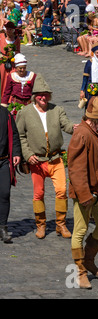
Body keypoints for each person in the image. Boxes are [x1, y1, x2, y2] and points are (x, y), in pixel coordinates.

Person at [15, 74, 76, 240]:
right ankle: (40, 224)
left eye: (46, 94)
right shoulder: (25, 113)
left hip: (55, 159)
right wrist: (28, 155)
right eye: (40, 94)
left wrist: (78, 128)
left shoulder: (56, 110)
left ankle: (61, 224)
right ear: (35, 96)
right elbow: (20, 136)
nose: (44, 97)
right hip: (37, 161)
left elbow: (67, 125)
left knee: (62, 191)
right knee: (38, 194)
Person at [68, 96, 98, 289]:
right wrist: (85, 196)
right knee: (80, 231)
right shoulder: (82, 134)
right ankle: (80, 272)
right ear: (96, 119)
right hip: (84, 193)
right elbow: (76, 170)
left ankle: (89, 261)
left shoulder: (94, 132)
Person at [0, 93, 21, 243]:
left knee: (5, 193)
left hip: (3, 162)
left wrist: (16, 153)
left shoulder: (5, 114)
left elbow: (14, 134)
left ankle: (3, 227)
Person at [0, 21, 21, 97]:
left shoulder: (16, 39)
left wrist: (13, 52)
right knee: (3, 78)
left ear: (13, 30)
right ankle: (3, 96)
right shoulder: (1, 36)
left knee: (13, 78)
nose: (8, 31)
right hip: (3, 60)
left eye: (10, 29)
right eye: (7, 29)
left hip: (12, 61)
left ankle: (11, 97)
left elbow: (18, 51)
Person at [80, 42, 98, 107]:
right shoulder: (90, 63)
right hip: (92, 88)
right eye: (97, 53)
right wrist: (82, 90)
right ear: (94, 53)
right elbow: (85, 78)